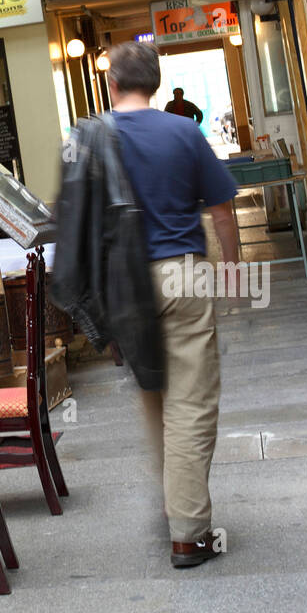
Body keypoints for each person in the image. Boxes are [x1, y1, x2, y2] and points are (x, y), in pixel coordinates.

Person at [108, 43, 239, 568]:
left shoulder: (90, 136)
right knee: (191, 402)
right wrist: (231, 271)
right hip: (181, 276)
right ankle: (188, 532)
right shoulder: (183, 131)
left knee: (154, 395)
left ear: (112, 85)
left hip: (124, 285)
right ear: (157, 85)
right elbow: (223, 211)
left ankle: (175, 502)